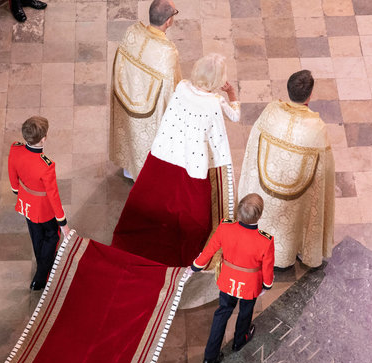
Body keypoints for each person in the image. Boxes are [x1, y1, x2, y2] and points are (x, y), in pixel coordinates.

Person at [112, 53, 240, 267]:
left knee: (159, 196)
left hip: (167, 152)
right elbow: (235, 116)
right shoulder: (215, 103)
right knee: (195, 216)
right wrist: (232, 93)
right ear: (218, 80)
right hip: (194, 163)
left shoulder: (182, 87)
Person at [237, 70, 334, 269]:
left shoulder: (271, 111)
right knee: (296, 219)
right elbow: (323, 172)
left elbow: (253, 147)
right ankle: (291, 255)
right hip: (294, 198)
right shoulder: (316, 128)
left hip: (265, 194)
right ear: (310, 95)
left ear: (288, 90)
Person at [190, 193, 275, 363]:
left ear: (238, 211)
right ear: (259, 216)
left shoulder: (225, 227)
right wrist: (266, 285)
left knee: (221, 314)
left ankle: (209, 358)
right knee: (245, 312)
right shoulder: (265, 241)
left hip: (228, 281)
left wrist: (196, 266)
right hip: (250, 285)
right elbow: (267, 268)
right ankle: (239, 341)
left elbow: (209, 250)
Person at [109, 0, 181, 180]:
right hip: (149, 112)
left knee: (131, 137)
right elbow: (174, 91)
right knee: (147, 142)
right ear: (169, 21)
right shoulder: (167, 52)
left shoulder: (131, 32)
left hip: (126, 102)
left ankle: (128, 169)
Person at [8, 116, 70, 291]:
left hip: (26, 202)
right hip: (43, 208)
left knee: (36, 235)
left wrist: (16, 191)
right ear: (43, 139)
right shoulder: (46, 166)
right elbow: (53, 196)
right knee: (52, 236)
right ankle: (41, 276)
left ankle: (42, 259)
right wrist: (63, 223)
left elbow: (12, 172)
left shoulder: (15, 149)